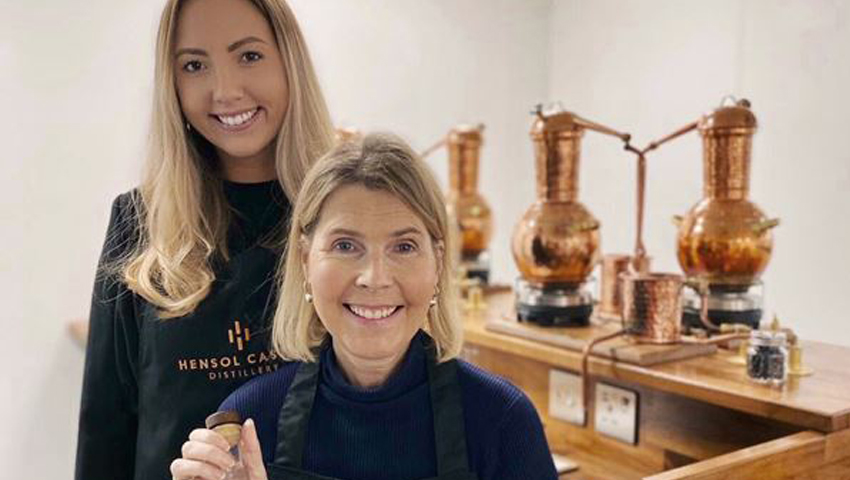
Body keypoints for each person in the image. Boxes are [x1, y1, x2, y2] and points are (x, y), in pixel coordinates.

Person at [171, 133, 559, 480]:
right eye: (345, 245)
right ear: (305, 260)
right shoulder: (249, 423)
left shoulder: (503, 422)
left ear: (438, 263)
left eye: (404, 247)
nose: (374, 278)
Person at [74, 0, 334, 479]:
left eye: (249, 56)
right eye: (194, 65)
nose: (226, 90)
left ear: (289, 61)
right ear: (172, 85)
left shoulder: (343, 217)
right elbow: (105, 433)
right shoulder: (137, 222)